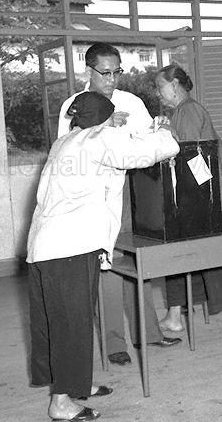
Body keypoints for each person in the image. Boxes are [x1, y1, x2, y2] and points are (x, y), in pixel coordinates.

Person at [27, 92, 180, 422]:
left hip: (46, 248)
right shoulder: (96, 141)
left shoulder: (66, 142)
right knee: (71, 325)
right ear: (102, 120)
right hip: (68, 248)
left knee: (59, 322)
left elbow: (108, 146)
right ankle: (61, 402)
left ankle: (76, 384)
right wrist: (164, 132)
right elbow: (146, 153)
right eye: (111, 117)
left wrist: (115, 125)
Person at [57, 43, 180, 367]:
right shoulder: (75, 106)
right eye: (105, 73)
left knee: (138, 259)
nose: (111, 80)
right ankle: (114, 343)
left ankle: (148, 333)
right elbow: (70, 150)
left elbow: (148, 142)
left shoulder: (131, 102)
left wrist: (159, 131)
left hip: (129, 191)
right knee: (107, 265)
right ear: (89, 71)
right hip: (92, 196)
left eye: (117, 72)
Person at [154, 64, 222, 334]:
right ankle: (174, 315)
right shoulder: (182, 111)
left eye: (160, 87)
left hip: (199, 200)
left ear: (175, 85)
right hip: (198, 198)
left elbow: (192, 158)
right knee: (180, 254)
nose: (157, 93)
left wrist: (203, 199)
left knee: (213, 258)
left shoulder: (188, 111)